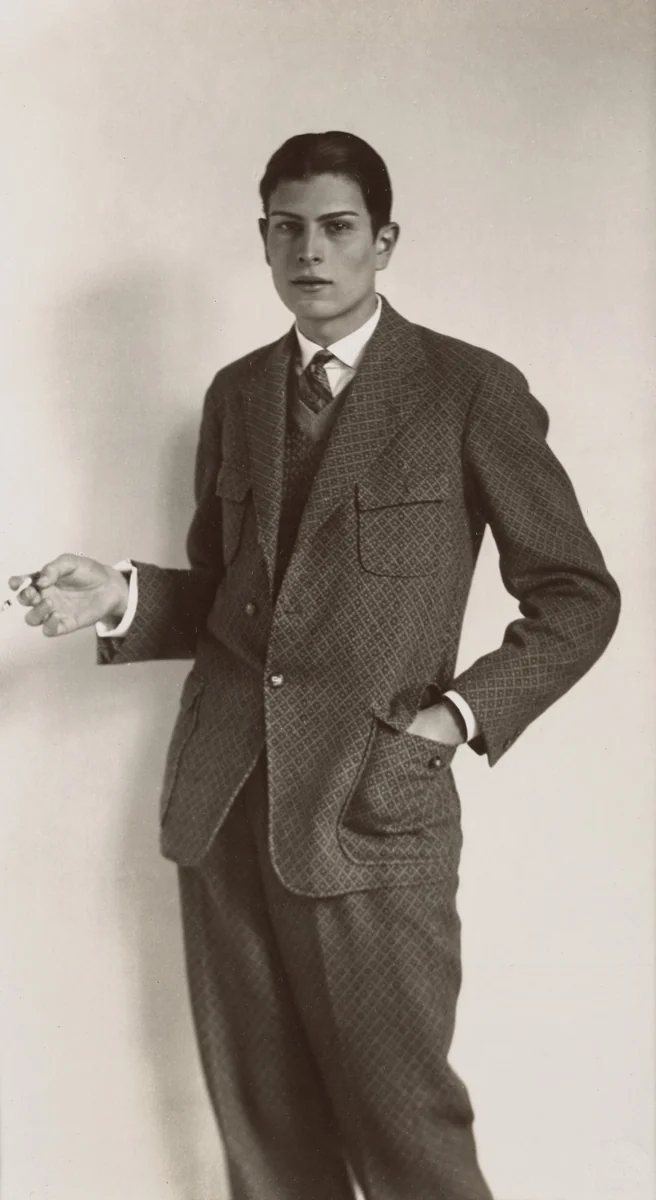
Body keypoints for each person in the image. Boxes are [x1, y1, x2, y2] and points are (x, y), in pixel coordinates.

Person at [9, 131, 620, 1200]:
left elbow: (576, 595)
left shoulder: (467, 391)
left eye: (337, 228)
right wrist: (120, 595)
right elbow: (235, 601)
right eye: (287, 228)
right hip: (223, 806)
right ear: (262, 241)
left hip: (370, 812)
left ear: (382, 242)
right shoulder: (238, 395)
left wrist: (451, 723)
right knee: (264, 1143)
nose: (311, 251)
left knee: (406, 1134)